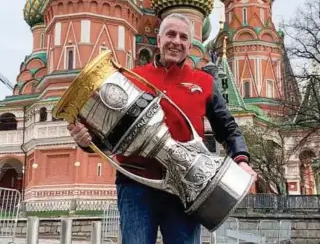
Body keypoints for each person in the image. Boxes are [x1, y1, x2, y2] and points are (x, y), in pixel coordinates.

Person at [68, 13, 256, 244]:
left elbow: (227, 127)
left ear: (189, 44)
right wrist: (85, 141)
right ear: (159, 40)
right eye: (170, 34)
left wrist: (242, 159)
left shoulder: (204, 82)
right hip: (136, 184)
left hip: (187, 188)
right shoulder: (132, 77)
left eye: (183, 37)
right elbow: (105, 135)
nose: (176, 41)